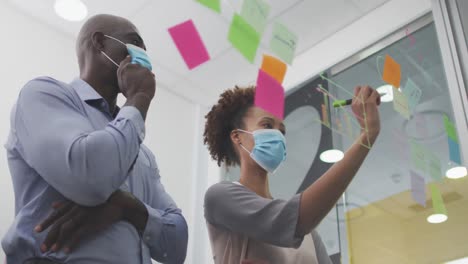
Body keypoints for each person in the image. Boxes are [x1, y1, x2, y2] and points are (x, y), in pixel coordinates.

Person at [2, 14, 187, 264]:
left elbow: (176, 244)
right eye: (135, 44)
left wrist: (127, 207)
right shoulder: (43, 95)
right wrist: (139, 97)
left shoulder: (140, 151)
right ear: (99, 43)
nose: (144, 56)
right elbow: (90, 178)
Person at [203, 85, 381, 263]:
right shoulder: (220, 197)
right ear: (237, 136)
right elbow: (292, 221)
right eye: (267, 125)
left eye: (282, 131)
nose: (277, 135)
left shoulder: (309, 237)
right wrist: (367, 135)